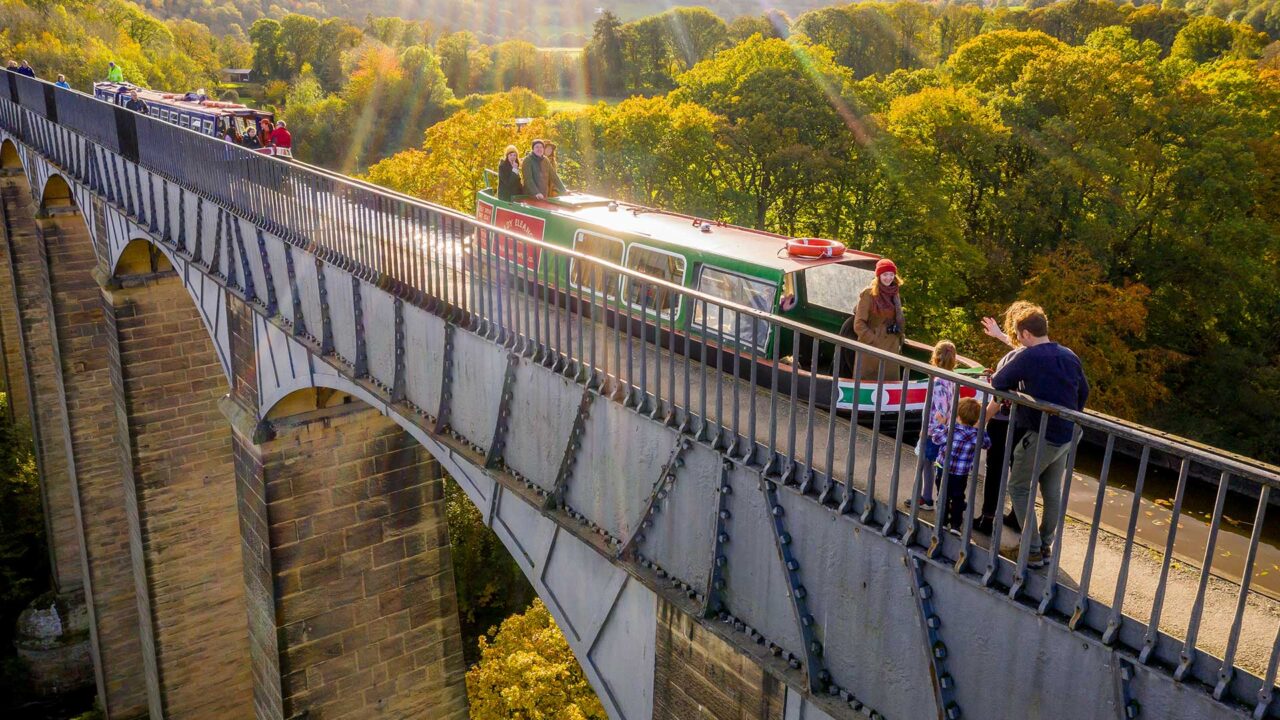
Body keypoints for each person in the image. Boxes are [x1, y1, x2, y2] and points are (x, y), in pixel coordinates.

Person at [991, 303, 1089, 568]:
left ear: (1025, 334)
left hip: (1041, 434)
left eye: (1017, 335)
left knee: (1019, 487)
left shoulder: (1028, 356)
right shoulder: (1069, 355)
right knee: (1051, 490)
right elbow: (1084, 392)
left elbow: (998, 382)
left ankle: (1032, 550)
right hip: (1069, 432)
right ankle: (1045, 545)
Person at [931, 397, 1000, 531]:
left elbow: (936, 439)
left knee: (942, 495)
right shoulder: (978, 434)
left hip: (943, 468)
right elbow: (987, 444)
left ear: (957, 415)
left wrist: (942, 424)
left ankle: (942, 522)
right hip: (961, 473)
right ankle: (956, 525)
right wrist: (982, 430)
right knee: (958, 497)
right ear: (977, 419)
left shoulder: (951, 429)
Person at [905, 341, 958, 511]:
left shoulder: (938, 382)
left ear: (934, 358)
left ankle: (923, 498)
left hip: (933, 432)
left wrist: (926, 430)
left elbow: (940, 412)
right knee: (930, 465)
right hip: (943, 433)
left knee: (923, 465)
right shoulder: (951, 379)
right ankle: (927, 498)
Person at [840, 258, 904, 380]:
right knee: (867, 385)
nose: (888, 278)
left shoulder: (895, 293)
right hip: (871, 350)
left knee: (888, 386)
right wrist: (874, 339)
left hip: (891, 348)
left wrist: (900, 338)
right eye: (885, 275)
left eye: (891, 275)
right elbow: (858, 324)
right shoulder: (868, 294)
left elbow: (898, 318)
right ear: (878, 275)